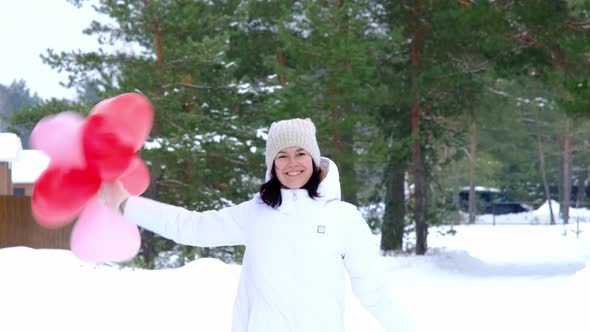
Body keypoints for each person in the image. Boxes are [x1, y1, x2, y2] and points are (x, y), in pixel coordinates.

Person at [101, 118, 397, 332]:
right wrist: (127, 204)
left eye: (300, 153)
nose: (292, 163)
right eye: (282, 155)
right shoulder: (256, 214)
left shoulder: (343, 217)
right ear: (272, 164)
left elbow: (374, 290)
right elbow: (191, 227)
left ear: (314, 158)